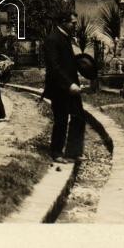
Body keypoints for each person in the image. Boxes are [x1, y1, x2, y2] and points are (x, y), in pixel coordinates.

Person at [42, 11, 85, 163]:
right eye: (72, 23)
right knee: (61, 119)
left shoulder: (68, 38)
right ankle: (56, 152)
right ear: (63, 22)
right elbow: (55, 67)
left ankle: (73, 152)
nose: (75, 26)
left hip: (71, 85)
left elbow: (71, 62)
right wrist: (69, 84)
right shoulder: (52, 39)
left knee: (79, 117)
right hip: (59, 87)